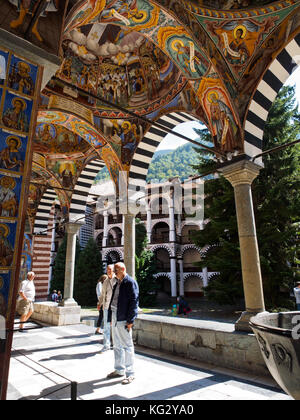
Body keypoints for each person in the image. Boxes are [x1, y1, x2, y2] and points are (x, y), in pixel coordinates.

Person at [106, 262, 139, 385]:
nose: (114, 272)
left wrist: (130, 320)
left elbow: (134, 302)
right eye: (114, 270)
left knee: (127, 345)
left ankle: (130, 374)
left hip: (123, 318)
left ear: (123, 269)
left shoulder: (130, 282)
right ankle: (119, 370)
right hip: (116, 315)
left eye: (117, 270)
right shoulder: (117, 282)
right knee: (117, 345)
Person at [98, 265, 116, 352]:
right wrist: (99, 303)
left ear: (113, 270)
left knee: (115, 326)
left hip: (115, 307)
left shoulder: (116, 280)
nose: (108, 271)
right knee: (106, 326)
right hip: (106, 307)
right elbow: (102, 294)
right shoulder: (105, 281)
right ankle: (106, 345)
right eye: (107, 269)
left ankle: (116, 344)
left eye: (110, 269)